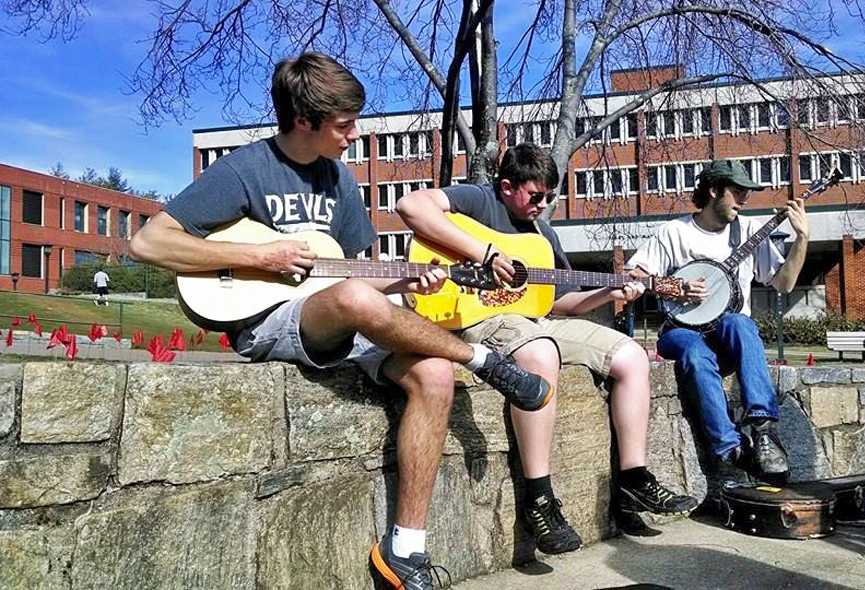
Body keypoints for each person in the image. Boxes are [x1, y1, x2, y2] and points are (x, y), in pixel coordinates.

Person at [128, 53, 553, 590]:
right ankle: (485, 359)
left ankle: (405, 549)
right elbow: (147, 242)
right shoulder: (246, 168)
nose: (354, 135)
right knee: (356, 299)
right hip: (266, 320)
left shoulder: (339, 181)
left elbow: (360, 276)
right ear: (305, 121)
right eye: (345, 125)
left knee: (434, 375)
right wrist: (261, 257)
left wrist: (406, 281)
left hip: (341, 313)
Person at [397, 143, 697, 557]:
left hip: (534, 320)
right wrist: (485, 253)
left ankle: (634, 478)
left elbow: (557, 301)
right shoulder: (478, 199)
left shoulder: (543, 234)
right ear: (506, 186)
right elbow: (410, 205)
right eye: (535, 195)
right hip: (476, 319)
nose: (543, 205)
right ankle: (539, 498)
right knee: (539, 353)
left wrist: (609, 290)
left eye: (550, 197)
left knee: (630, 355)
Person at [626, 160, 809, 496]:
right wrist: (674, 287)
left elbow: (783, 284)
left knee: (740, 322)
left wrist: (802, 238)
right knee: (695, 353)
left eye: (746, 194)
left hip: (727, 333)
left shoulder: (749, 231)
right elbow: (633, 275)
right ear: (713, 191)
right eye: (737, 192)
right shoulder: (675, 232)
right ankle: (730, 450)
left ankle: (764, 430)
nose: (744, 200)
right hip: (681, 331)